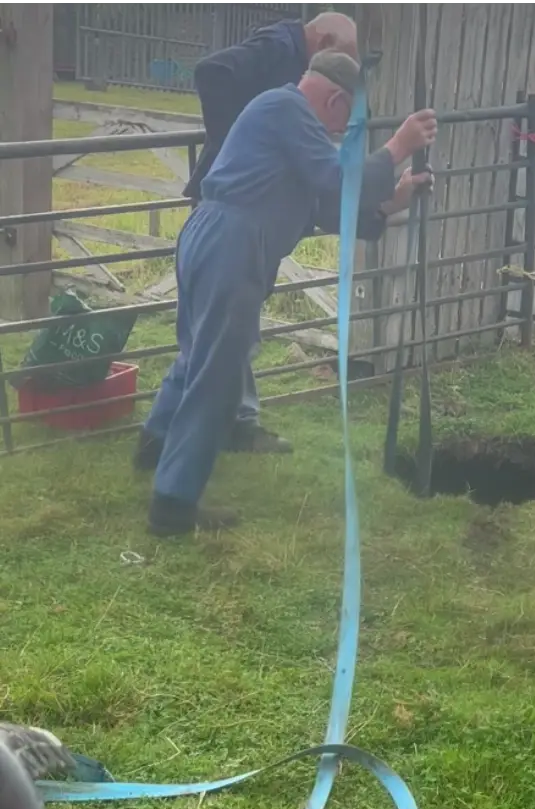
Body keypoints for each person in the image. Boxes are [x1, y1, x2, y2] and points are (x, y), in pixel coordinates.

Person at [144, 53, 437, 537]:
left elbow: (327, 205)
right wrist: (398, 147)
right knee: (218, 374)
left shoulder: (284, 117)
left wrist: (393, 198)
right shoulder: (288, 110)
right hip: (232, 242)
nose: (345, 132)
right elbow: (339, 179)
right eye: (350, 119)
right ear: (335, 100)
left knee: (199, 352)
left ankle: (156, 443)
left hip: (217, 235)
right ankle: (172, 504)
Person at [135, 12, 361, 470]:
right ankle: (177, 491)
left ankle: (160, 444)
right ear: (323, 40)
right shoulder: (280, 56)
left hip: (241, 215)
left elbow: (321, 187)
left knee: (213, 341)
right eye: (338, 55)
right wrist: (234, 142)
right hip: (235, 216)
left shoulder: (287, 85)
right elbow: (212, 72)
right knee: (219, 349)